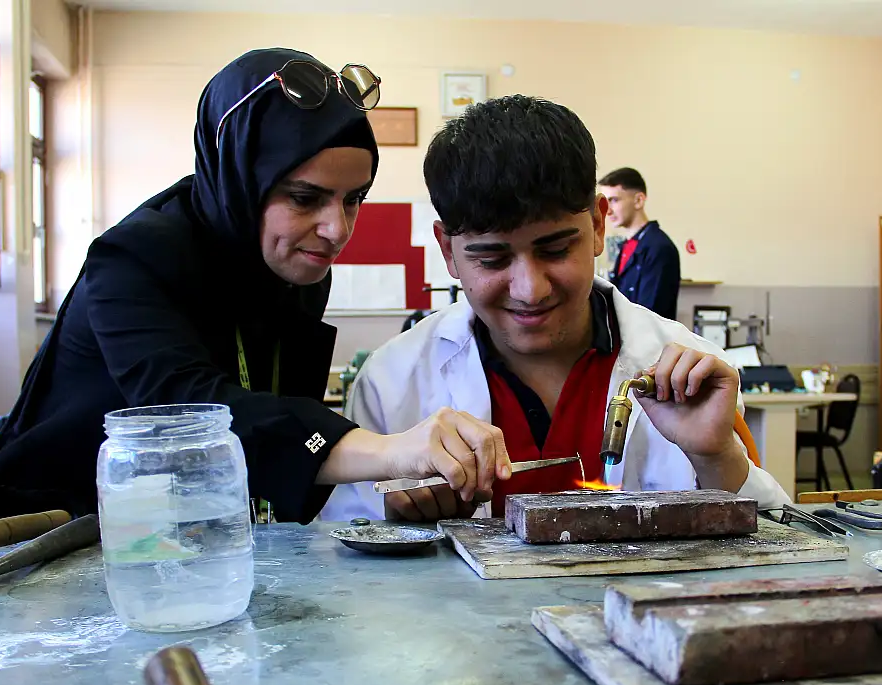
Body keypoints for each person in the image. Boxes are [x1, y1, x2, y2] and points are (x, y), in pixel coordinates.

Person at [0, 48, 510, 522]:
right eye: (305, 198)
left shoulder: (291, 264)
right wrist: (391, 450)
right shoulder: (131, 260)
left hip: (185, 536)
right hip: (50, 531)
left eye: (353, 199)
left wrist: (395, 486)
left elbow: (273, 432)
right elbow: (193, 412)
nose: (337, 229)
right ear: (240, 177)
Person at [322, 96, 787, 522]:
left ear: (598, 225)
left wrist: (716, 458)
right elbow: (341, 556)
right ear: (448, 250)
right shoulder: (392, 382)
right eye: (492, 259)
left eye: (556, 250)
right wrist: (398, 528)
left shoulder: (690, 370)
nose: (530, 290)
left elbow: (780, 547)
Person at [598, 167, 682, 320]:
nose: (608, 211)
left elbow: (651, 315)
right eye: (605, 202)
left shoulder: (659, 248)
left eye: (614, 200)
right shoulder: (627, 247)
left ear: (638, 200)